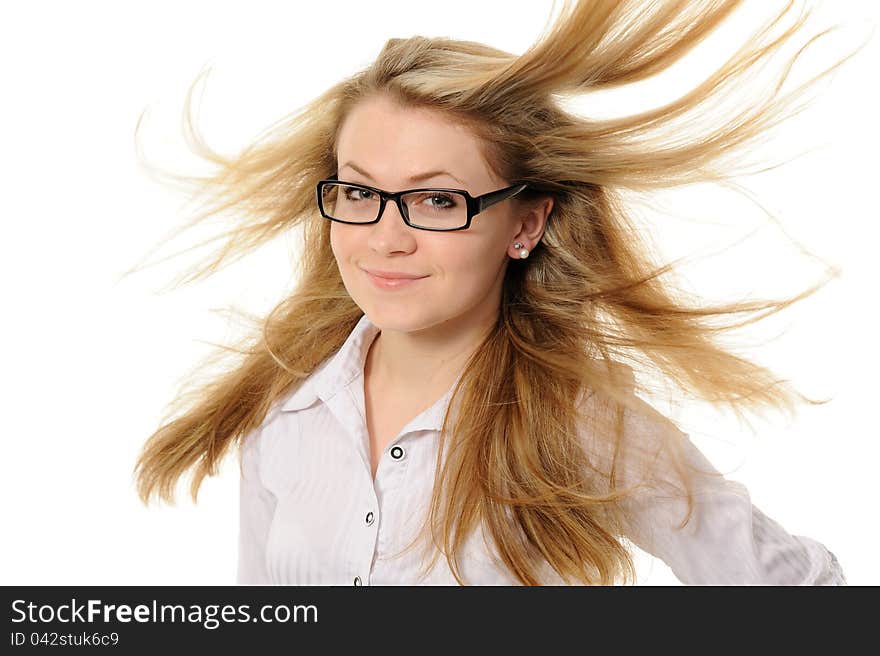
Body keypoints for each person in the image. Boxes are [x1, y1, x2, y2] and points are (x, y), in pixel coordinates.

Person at [132, 0, 857, 585]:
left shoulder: (579, 423)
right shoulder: (285, 406)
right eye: (359, 192)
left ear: (526, 223)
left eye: (439, 202)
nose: (386, 238)